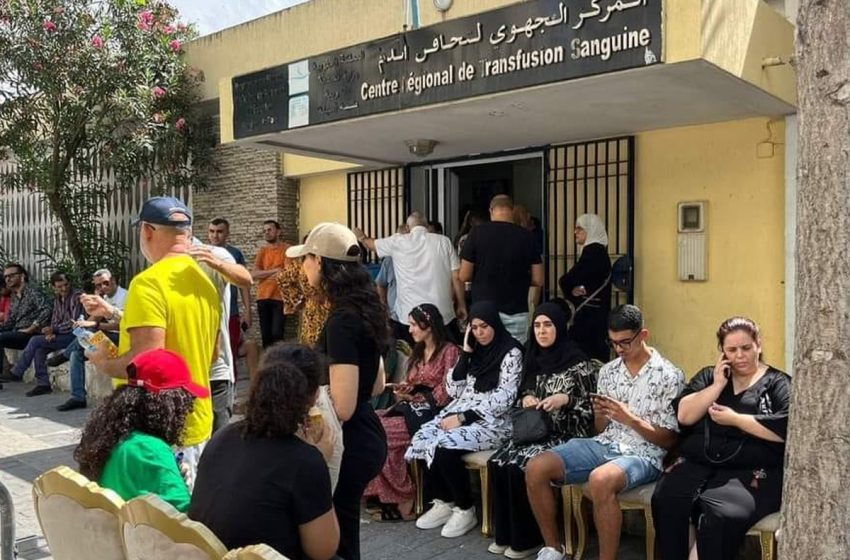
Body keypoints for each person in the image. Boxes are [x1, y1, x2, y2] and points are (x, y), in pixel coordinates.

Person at [524, 304, 684, 560]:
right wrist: (600, 415)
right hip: (606, 443)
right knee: (536, 466)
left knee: (600, 479)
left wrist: (629, 418)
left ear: (643, 335)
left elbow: (669, 440)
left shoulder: (669, 375)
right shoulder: (608, 372)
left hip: (645, 453)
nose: (619, 349)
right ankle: (553, 548)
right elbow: (600, 429)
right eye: (613, 343)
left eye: (625, 342)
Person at [84, 197, 221, 482]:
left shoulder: (147, 283)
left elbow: (144, 364)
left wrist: (103, 361)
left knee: (158, 511)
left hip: (158, 430)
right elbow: (211, 354)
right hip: (197, 418)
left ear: (147, 230)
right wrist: (114, 313)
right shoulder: (205, 283)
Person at [286, 222, 388, 560]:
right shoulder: (366, 309)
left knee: (338, 541)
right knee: (345, 530)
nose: (303, 266)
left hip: (350, 440)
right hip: (368, 432)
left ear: (319, 261)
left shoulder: (342, 320)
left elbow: (343, 406)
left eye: (305, 258)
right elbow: (377, 384)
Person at [651, 317, 790, 560]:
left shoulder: (778, 383)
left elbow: (786, 428)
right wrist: (716, 386)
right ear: (722, 351)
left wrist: (737, 420)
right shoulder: (709, 376)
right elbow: (684, 416)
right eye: (732, 350)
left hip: (752, 472)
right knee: (668, 499)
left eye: (746, 348)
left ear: (758, 345)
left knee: (719, 515)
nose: (740, 356)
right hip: (698, 464)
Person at [190, 344, 339, 560]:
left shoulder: (223, 436)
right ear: (314, 396)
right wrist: (320, 461)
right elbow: (323, 549)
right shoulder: (305, 461)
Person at [488, 303, 598, 558]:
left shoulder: (578, 362)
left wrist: (566, 400)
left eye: (548, 325)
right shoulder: (533, 357)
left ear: (559, 326)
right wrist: (526, 398)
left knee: (520, 465)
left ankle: (529, 539)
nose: (542, 331)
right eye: (537, 325)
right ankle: (507, 534)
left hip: (568, 434)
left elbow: (593, 410)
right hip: (536, 431)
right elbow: (523, 391)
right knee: (499, 461)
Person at [406, 301, 523, 539]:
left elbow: (505, 397)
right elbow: (453, 389)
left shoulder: (511, 352)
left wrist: (463, 417)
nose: (479, 333)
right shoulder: (475, 351)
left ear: (495, 324)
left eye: (484, 327)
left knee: (444, 446)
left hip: (494, 421)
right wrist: (466, 354)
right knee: (423, 436)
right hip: (462, 412)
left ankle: (465, 508)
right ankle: (444, 501)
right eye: (474, 328)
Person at [74, 349, 206, 512]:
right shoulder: (150, 450)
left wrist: (173, 474)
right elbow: (185, 518)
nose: (189, 410)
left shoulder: (111, 437)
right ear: (169, 405)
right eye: (187, 401)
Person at [365, 304, 460, 522]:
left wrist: (417, 397)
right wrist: (404, 390)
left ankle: (404, 498)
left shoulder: (450, 352)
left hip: (433, 414)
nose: (410, 330)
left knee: (381, 432)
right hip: (411, 409)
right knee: (369, 422)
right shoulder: (418, 352)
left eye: (414, 325)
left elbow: (447, 391)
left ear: (429, 326)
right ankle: (385, 493)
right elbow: (411, 383)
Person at [355, 212, 467, 345]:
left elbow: (372, 245)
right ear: (426, 226)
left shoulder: (398, 241)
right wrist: (461, 304)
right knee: (444, 353)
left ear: (407, 228)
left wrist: (361, 237)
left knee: (412, 355)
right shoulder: (444, 241)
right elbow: (456, 276)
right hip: (442, 315)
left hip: (409, 318)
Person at [189, 238, 253, 434]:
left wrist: (218, 264)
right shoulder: (161, 265)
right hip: (184, 374)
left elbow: (246, 279)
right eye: (212, 231)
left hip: (215, 372)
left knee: (218, 438)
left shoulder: (215, 254)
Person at [460, 196, 544, 343]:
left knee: (485, 355)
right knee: (515, 354)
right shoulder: (527, 236)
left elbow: (464, 275)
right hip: (516, 310)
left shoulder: (476, 233)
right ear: (512, 211)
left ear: (491, 211)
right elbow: (538, 279)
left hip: (483, 312)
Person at [55, 269, 127, 411]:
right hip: (106, 340)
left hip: (123, 338)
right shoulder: (104, 297)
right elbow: (93, 319)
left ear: (113, 280)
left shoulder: (125, 296)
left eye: (105, 283)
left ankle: (64, 355)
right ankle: (78, 398)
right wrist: (82, 323)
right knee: (76, 354)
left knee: (92, 332)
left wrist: (94, 325)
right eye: (98, 285)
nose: (102, 287)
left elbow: (124, 325)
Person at [7, 272, 82, 396]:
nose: (64, 288)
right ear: (54, 287)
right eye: (60, 286)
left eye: (66, 285)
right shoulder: (57, 298)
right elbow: (55, 319)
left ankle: (17, 372)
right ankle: (43, 384)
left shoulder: (76, 296)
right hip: (61, 334)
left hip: (75, 336)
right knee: (39, 349)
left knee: (35, 340)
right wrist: (49, 332)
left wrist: (55, 330)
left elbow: (73, 322)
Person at [558, 213, 612, 361]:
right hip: (597, 314)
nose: (575, 232)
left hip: (590, 318)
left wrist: (569, 288)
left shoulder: (593, 252)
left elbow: (568, 279)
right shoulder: (598, 251)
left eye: (580, 229)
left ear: (591, 229)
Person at [208, 217, 253, 377]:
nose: (215, 235)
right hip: (208, 312)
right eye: (212, 231)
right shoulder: (204, 253)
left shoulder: (235, 254)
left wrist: (247, 311)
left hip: (230, 312)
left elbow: (244, 284)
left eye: (219, 232)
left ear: (227, 233)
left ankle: (231, 385)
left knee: (230, 351)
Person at [0, 263, 51, 384]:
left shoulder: (32, 291)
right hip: (18, 333)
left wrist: (32, 327)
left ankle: (4, 373)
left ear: (22, 276)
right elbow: (11, 320)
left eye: (11, 275)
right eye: (6, 276)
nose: (8, 279)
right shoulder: (14, 296)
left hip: (31, 335)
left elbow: (47, 309)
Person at [277, 240, 331, 347]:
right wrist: (297, 300)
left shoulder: (329, 264)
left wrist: (295, 301)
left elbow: (282, 277)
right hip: (314, 310)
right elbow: (282, 277)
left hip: (330, 308)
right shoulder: (300, 264)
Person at [251, 219, 290, 348]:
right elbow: (254, 274)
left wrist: (264, 273)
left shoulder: (287, 249)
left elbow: (286, 273)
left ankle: (278, 358)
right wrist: (274, 270)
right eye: (265, 231)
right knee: (266, 336)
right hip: (263, 297)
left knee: (277, 333)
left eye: (269, 230)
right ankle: (267, 359)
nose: (266, 233)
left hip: (280, 297)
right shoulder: (263, 251)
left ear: (278, 232)